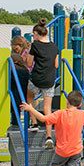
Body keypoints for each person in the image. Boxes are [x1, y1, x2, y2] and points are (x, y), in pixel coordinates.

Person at [25, 18, 60, 148]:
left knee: (29, 97)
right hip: (50, 79)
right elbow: (56, 65)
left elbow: (29, 63)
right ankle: (49, 136)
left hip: (37, 78)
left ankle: (34, 123)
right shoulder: (54, 46)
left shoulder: (35, 45)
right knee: (47, 108)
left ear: (35, 33)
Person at [10, 36, 32, 125]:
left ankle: (17, 122)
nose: (16, 50)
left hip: (28, 76)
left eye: (16, 47)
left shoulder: (24, 54)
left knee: (17, 101)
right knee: (27, 102)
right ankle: (30, 122)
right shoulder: (25, 52)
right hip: (28, 77)